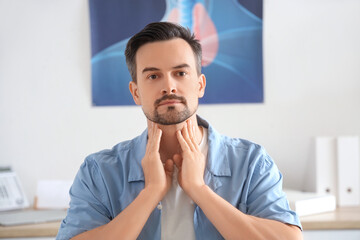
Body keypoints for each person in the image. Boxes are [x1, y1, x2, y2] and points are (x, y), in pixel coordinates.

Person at [57, 22, 302, 240]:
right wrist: (150, 194)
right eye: (153, 76)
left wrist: (199, 190)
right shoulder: (99, 171)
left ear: (200, 85)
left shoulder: (251, 162)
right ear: (135, 93)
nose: (169, 86)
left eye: (180, 73)